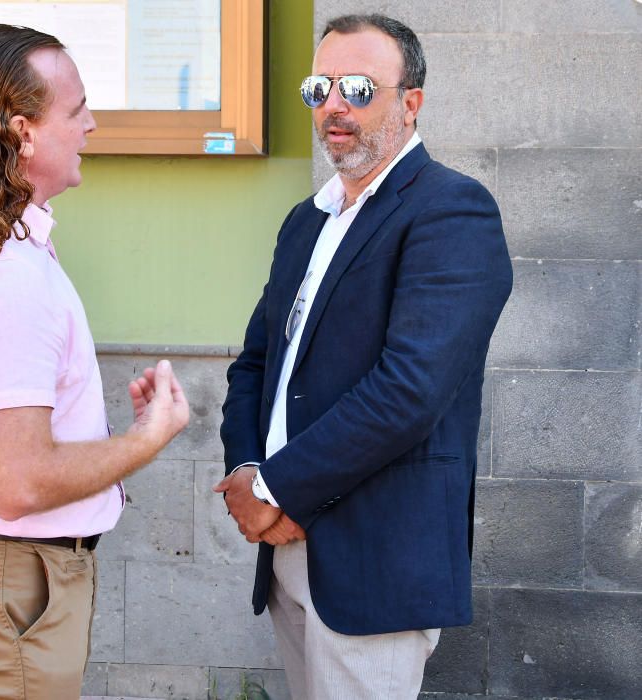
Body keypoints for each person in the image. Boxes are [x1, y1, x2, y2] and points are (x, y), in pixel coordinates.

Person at [216, 14, 512, 700]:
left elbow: (407, 390)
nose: (333, 106)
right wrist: (245, 471)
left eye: (356, 87)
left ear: (410, 102)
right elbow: (255, 367)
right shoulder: (306, 221)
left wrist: (275, 489)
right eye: (317, 88)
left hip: (373, 558)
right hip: (284, 545)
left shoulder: (450, 212)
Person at [0, 24, 189, 700]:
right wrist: (146, 438)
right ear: (23, 131)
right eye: (76, 108)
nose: (91, 123)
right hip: (10, 581)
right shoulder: (2, 272)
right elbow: (16, 483)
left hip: (4, 578)